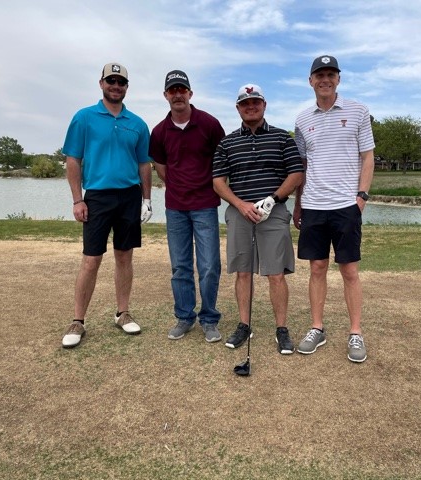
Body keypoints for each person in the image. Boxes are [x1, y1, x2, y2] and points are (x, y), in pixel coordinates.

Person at [61, 62, 153, 349]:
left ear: (126, 87)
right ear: (101, 83)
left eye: (121, 82)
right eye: (111, 81)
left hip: (129, 196)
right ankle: (78, 320)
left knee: (124, 257)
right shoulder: (84, 118)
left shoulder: (137, 123)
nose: (116, 86)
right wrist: (78, 199)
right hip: (97, 196)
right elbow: (73, 159)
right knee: (91, 259)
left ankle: (122, 313)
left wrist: (147, 199)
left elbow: (144, 164)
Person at [293, 55, 375, 363]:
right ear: (310, 81)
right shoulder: (302, 119)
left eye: (331, 74)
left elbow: (368, 157)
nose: (325, 79)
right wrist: (299, 204)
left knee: (349, 270)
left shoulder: (358, 111)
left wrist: (361, 198)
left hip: (346, 206)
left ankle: (355, 332)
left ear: (338, 79)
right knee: (317, 268)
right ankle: (317, 328)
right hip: (314, 205)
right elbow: (302, 165)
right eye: (320, 75)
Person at [213, 84, 304, 355]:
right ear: (238, 108)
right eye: (245, 103)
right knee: (243, 272)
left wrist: (273, 199)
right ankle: (244, 324)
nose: (250, 107)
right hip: (240, 213)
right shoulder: (227, 142)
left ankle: (281, 329)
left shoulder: (282, 138)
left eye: (255, 102)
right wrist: (240, 205)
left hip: (273, 212)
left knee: (276, 274)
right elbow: (218, 182)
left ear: (264, 105)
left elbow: (296, 174)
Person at [149, 70, 225, 343]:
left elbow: (222, 160)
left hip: (205, 204)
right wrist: (179, 186)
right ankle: (184, 316)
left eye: (182, 89)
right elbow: (160, 166)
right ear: (166, 95)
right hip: (176, 207)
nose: (178, 94)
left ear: (190, 93)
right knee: (180, 267)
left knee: (209, 265)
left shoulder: (209, 124)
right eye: (173, 90)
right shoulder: (159, 131)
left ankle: (209, 318)